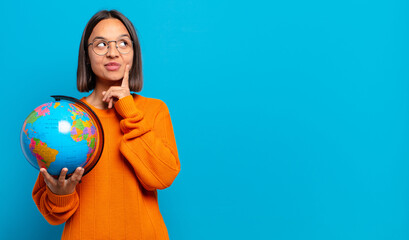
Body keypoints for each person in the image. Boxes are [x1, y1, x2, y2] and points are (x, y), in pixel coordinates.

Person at [32, 9, 181, 240]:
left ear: (134, 53)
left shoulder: (154, 110)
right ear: (86, 55)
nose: (113, 53)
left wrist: (128, 110)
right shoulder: (65, 118)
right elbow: (53, 214)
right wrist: (61, 193)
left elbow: (161, 177)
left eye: (123, 43)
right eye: (101, 45)